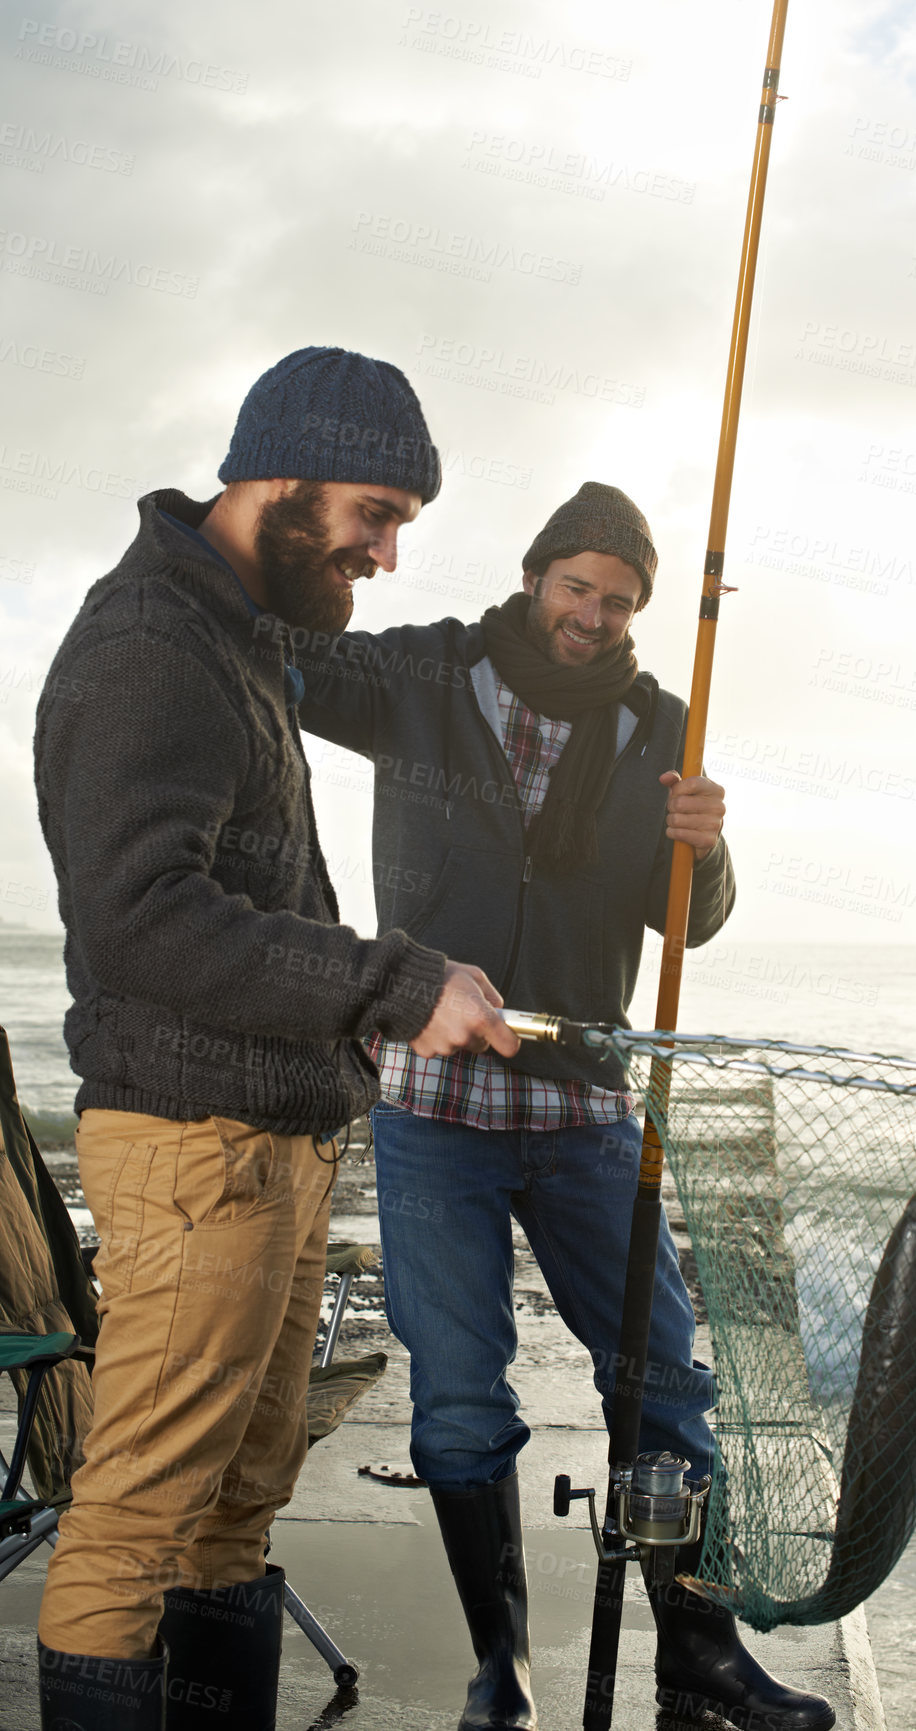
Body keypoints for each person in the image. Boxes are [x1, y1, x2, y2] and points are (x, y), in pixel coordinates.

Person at [32, 346, 517, 1731]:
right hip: (194, 1144)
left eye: (400, 527)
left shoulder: (242, 636)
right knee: (135, 1519)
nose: (383, 553)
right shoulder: (147, 646)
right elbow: (142, 919)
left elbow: (248, 879)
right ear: (280, 478)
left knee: (235, 1505)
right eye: (374, 514)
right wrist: (393, 980)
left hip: (276, 1138)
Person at [298, 482, 835, 1731]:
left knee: (663, 1387)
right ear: (538, 575)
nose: (593, 616)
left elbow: (687, 918)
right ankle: (506, 1670)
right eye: (576, 586)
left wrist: (712, 840)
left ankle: (699, 1661)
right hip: (434, 1108)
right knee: (464, 1399)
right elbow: (286, 663)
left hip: (588, 1109)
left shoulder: (660, 721)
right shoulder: (424, 673)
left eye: (620, 600)